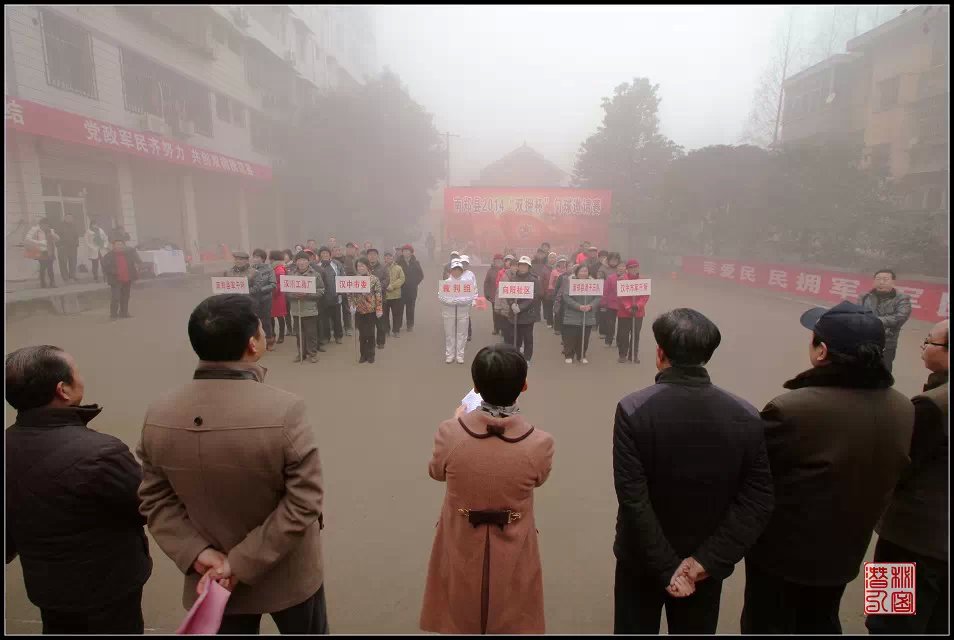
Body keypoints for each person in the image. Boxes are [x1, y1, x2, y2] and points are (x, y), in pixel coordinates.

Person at [137, 294, 328, 634]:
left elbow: (154, 500)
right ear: (253, 343)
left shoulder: (159, 413)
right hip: (287, 572)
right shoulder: (285, 410)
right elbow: (304, 502)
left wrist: (198, 554)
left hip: (210, 576)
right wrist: (239, 565)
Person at [741, 301, 915, 634]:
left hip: (784, 553)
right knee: (822, 618)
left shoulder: (792, 407)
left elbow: (757, 473)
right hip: (847, 549)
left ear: (822, 352)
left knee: (768, 622)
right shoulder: (905, 407)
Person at [613, 308, 773, 634]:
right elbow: (757, 499)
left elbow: (634, 498)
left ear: (660, 354)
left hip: (642, 559)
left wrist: (666, 567)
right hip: (703, 566)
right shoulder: (745, 414)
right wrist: (703, 562)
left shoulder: (634, 409)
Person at [5, 345, 153, 634]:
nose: (81, 378)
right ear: (63, 390)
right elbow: (145, 507)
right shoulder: (100, 451)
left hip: (47, 588)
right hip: (107, 589)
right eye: (77, 373)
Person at [420, 345, 554, 634]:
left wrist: (457, 421)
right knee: (513, 611)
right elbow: (539, 478)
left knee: (460, 610)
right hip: (516, 540)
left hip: (460, 538)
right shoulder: (539, 443)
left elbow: (435, 472)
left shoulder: (451, 432)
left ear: (476, 387)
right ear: (524, 386)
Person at [867, 319, 949, 635]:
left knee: (888, 622)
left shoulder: (933, 405)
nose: (924, 346)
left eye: (929, 340)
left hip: (911, 536)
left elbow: (900, 465)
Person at [858, 269, 912, 373]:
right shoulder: (864, 297)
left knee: (883, 371)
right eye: (878, 279)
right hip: (864, 341)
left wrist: (873, 321)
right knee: (861, 369)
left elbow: (900, 317)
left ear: (893, 282)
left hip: (887, 343)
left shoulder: (902, 299)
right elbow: (858, 313)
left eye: (885, 279)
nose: (881, 282)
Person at [496, 256, 542, 365]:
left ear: (529, 267)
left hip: (527, 314)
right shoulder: (513, 279)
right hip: (514, 314)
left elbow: (535, 297)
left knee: (527, 338)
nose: (522, 267)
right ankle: (516, 357)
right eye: (521, 265)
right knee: (515, 338)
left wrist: (521, 307)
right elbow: (507, 293)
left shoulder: (534, 280)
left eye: (525, 265)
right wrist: (512, 304)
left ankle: (527, 358)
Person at [560, 263, 602, 364]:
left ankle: (581, 355)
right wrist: (578, 306)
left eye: (586, 271)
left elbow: (598, 297)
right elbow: (566, 297)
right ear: (577, 272)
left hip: (588, 314)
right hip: (572, 314)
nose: (584, 273)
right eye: (581, 271)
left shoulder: (594, 283)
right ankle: (569, 355)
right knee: (570, 337)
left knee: (584, 337)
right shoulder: (570, 282)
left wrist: (590, 306)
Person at [288, 251, 325, 363]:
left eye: (304, 260)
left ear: (308, 261)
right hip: (296, 309)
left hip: (310, 309)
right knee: (299, 334)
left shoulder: (315, 274)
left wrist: (307, 294)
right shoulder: (291, 275)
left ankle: (312, 354)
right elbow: (286, 291)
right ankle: (301, 354)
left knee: (311, 333)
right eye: (299, 260)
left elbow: (321, 291)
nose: (302, 262)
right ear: (296, 262)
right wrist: (293, 295)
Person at [439, 260, 477, 364]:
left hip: (463, 313)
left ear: (462, 271)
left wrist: (459, 301)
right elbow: (441, 297)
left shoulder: (466, 284)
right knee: (449, 334)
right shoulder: (446, 283)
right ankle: (449, 355)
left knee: (462, 334)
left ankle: (460, 355)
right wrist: (451, 301)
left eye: (458, 270)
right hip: (448, 313)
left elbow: (470, 297)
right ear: (451, 271)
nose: (456, 272)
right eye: (454, 270)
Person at [348, 258, 384, 364]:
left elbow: (378, 294)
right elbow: (350, 294)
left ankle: (371, 354)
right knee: (362, 334)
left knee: (370, 333)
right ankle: (363, 354)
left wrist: (379, 309)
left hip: (371, 311)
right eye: (358, 266)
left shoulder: (374, 279)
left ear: (367, 266)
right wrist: (351, 305)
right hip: (359, 311)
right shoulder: (354, 279)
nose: (360, 268)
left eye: (362, 266)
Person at [616, 260, 649, 363]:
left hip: (638, 312)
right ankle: (622, 354)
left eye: (636, 267)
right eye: (631, 267)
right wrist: (628, 307)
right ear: (627, 269)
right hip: (624, 312)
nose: (634, 269)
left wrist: (638, 305)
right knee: (623, 334)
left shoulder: (643, 280)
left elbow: (645, 296)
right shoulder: (621, 280)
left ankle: (634, 355)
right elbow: (620, 296)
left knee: (636, 334)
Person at [101, 237, 142, 319]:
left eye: (121, 244)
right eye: (117, 244)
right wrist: (114, 272)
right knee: (115, 298)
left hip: (127, 278)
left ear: (124, 245)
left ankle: (124, 313)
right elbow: (105, 266)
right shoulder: (108, 255)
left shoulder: (128, 253)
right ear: (113, 246)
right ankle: (113, 315)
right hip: (115, 279)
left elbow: (138, 261)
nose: (119, 246)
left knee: (125, 297)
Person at [250, 249, 279, 349]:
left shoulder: (269, 269)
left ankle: (270, 341)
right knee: (254, 321)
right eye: (254, 257)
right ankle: (257, 343)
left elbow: (273, 284)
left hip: (265, 299)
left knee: (266, 321)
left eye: (258, 257)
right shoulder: (250, 269)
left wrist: (260, 289)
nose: (255, 259)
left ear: (263, 259)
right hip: (253, 299)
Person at [316, 247, 343, 346]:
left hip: (335, 296)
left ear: (330, 254)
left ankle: (338, 336)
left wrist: (340, 291)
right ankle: (326, 337)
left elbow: (342, 277)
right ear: (320, 255)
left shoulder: (336, 264)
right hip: (322, 297)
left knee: (337, 318)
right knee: (324, 319)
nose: (325, 255)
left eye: (327, 253)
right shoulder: (317, 265)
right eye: (323, 253)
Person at [25, 217, 60, 288]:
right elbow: (27, 239)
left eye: (47, 225)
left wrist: (53, 235)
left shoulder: (50, 230)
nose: (46, 227)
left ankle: (52, 282)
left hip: (50, 251)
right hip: (40, 251)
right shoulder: (35, 229)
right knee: (43, 267)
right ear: (41, 224)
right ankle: (43, 283)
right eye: (44, 225)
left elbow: (58, 239)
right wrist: (39, 243)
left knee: (50, 267)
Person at [366, 248, 390, 350]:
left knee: (380, 322)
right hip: (367, 300)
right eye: (370, 254)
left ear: (377, 256)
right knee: (369, 322)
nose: (372, 256)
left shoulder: (383, 267)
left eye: (374, 254)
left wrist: (378, 286)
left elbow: (387, 280)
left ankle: (380, 342)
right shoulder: (364, 267)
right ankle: (370, 341)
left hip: (380, 298)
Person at [397, 244, 424, 333]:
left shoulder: (416, 263)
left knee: (410, 308)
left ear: (411, 253)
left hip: (412, 290)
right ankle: (398, 325)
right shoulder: (398, 262)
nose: (406, 252)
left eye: (408, 251)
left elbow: (420, 275)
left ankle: (410, 325)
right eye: (404, 251)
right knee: (399, 308)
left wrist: (414, 283)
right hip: (401, 289)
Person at [381, 251, 406, 338]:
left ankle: (396, 330)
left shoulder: (398, 268)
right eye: (386, 257)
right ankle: (386, 331)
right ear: (384, 258)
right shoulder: (382, 268)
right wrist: (385, 286)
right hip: (384, 295)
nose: (388, 258)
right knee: (385, 315)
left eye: (390, 257)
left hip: (396, 295)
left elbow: (402, 279)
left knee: (396, 314)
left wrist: (393, 286)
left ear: (393, 258)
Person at [601, 259, 624, 347]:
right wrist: (603, 303)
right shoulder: (611, 277)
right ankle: (608, 341)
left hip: (623, 305)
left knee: (622, 326)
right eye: (620, 266)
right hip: (611, 304)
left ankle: (619, 342)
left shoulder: (627, 278)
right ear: (616, 267)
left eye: (623, 266)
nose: (621, 268)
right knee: (610, 324)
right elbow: (605, 291)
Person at [269, 250, 289, 345]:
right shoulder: (274, 267)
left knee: (280, 316)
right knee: (271, 316)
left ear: (273, 259)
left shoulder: (279, 269)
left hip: (278, 296)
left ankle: (281, 335)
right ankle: (272, 334)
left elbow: (281, 283)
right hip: (273, 295)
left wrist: (273, 290)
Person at [55, 213, 81, 282]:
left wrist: (76, 244)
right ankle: (65, 277)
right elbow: (56, 236)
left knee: (73, 262)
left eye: (71, 218)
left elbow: (76, 235)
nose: (69, 219)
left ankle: (72, 275)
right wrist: (59, 245)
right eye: (68, 218)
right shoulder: (60, 226)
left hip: (72, 247)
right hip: (63, 247)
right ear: (65, 218)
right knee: (63, 262)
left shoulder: (74, 226)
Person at [550, 256, 572, 337]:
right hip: (562, 300)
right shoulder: (562, 277)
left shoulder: (577, 278)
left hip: (573, 301)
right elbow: (557, 289)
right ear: (566, 268)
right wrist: (555, 299)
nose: (571, 268)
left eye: (572, 266)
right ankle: (560, 332)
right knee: (560, 316)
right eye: (569, 266)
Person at [484, 254, 505, 336]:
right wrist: (487, 294)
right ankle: (496, 328)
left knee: (503, 313)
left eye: (500, 260)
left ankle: (503, 329)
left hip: (504, 295)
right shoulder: (490, 270)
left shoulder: (506, 270)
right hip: (494, 296)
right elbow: (486, 283)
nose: (498, 262)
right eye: (496, 260)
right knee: (495, 313)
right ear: (494, 261)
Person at [85, 218, 110, 283]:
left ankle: (105, 276)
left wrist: (105, 245)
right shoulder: (88, 231)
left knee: (104, 263)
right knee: (95, 265)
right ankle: (96, 277)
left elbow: (105, 238)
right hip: (94, 250)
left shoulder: (101, 230)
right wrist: (92, 247)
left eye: (96, 224)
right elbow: (87, 241)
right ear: (91, 225)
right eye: (93, 224)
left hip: (101, 249)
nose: (95, 225)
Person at [459, 255, 477, 342]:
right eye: (462, 263)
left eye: (465, 263)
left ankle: (468, 334)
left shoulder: (471, 274)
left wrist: (474, 300)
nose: (464, 265)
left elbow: (474, 287)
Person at [282, 249, 296, 337]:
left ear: (290, 256)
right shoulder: (280, 266)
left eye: (285, 255)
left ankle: (295, 329)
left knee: (294, 311)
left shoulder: (294, 265)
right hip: (284, 293)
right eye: (283, 255)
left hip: (293, 292)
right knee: (286, 312)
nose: (284, 257)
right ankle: (289, 329)